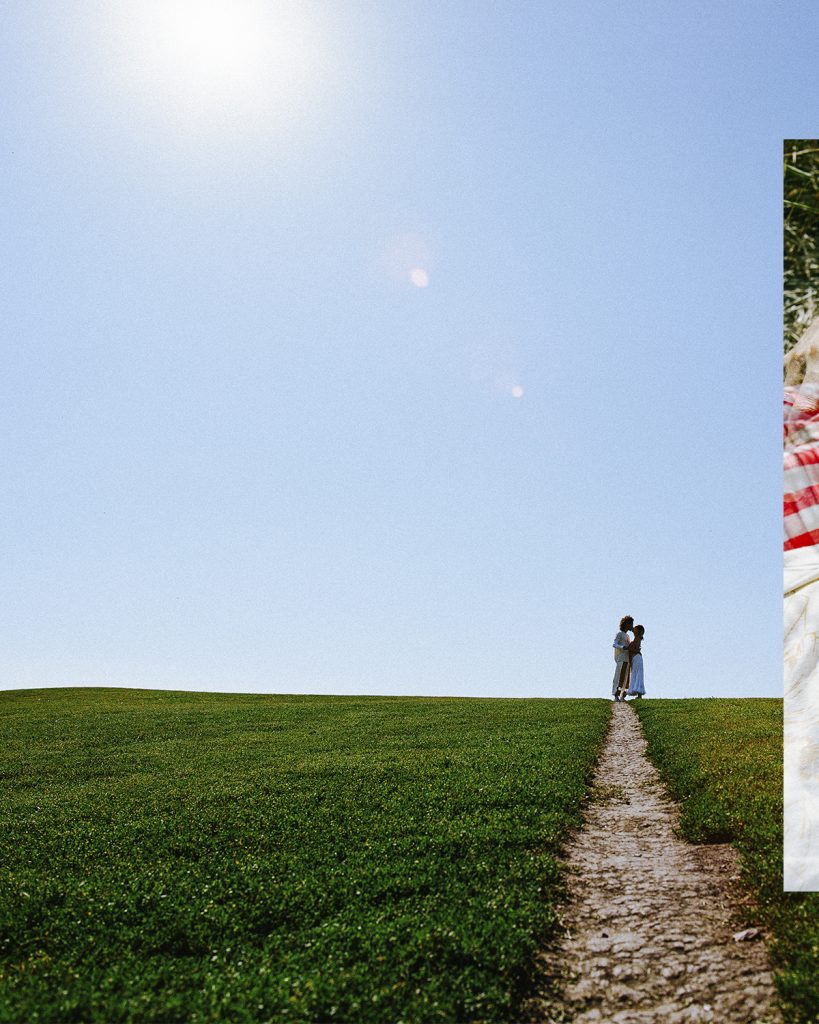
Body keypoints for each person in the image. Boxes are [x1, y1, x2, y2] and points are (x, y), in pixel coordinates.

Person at [611, 615, 633, 701]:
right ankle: (615, 695)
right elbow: (614, 644)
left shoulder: (627, 636)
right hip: (621, 658)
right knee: (619, 676)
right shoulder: (619, 634)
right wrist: (623, 647)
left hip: (627, 659)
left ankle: (623, 695)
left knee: (626, 678)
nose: (632, 626)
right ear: (626, 624)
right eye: (631, 624)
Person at [626, 625, 646, 698]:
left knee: (637, 674)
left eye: (635, 628)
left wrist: (628, 648)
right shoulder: (636, 638)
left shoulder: (637, 638)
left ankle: (639, 693)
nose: (633, 629)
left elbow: (636, 650)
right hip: (636, 658)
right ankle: (638, 693)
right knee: (636, 674)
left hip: (637, 658)